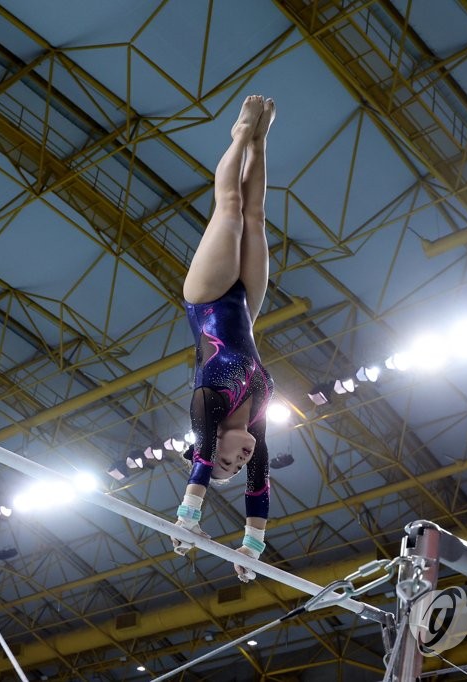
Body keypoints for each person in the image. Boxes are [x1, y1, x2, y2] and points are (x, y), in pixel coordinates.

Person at [172, 95, 276, 583]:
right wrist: (251, 548)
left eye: (227, 462)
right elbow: (260, 491)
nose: (240, 459)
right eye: (239, 465)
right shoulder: (255, 425)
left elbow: (203, 456)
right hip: (247, 307)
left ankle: (239, 133)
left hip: (208, 299)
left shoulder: (207, 407)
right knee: (255, 215)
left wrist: (188, 516)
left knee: (230, 207)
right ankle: (260, 140)